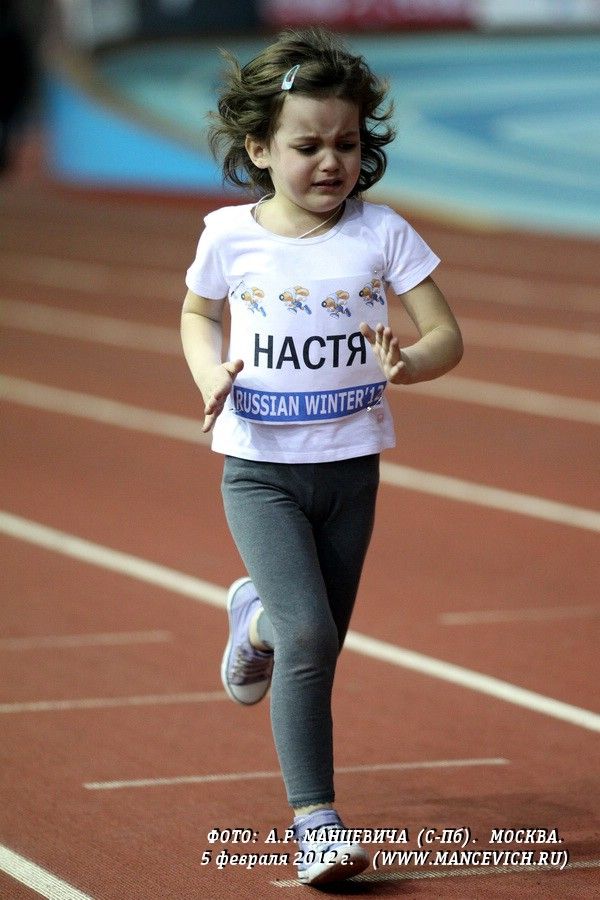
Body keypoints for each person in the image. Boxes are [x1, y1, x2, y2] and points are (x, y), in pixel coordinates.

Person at [181, 27, 463, 886]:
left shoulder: (383, 233)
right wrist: (210, 372)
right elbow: (196, 314)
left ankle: (252, 620)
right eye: (307, 146)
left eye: (345, 143)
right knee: (309, 635)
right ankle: (317, 824)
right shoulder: (229, 236)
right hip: (259, 470)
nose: (331, 162)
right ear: (260, 148)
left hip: (350, 470)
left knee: (319, 639)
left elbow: (446, 333)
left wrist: (412, 364)